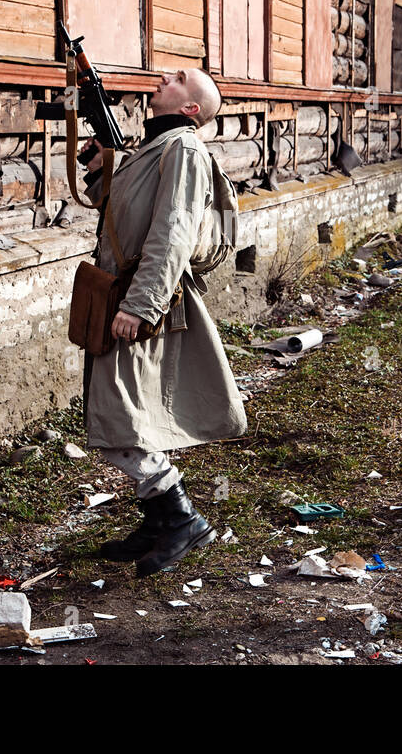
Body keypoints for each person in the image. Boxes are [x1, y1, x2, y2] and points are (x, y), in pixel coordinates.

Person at [79, 68, 247, 577]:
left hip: (144, 298)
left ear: (191, 107)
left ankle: (179, 516)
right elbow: (113, 209)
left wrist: (141, 304)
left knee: (117, 416)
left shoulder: (185, 150)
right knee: (123, 408)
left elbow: (175, 229)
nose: (163, 79)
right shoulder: (155, 147)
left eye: (178, 78)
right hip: (120, 291)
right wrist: (102, 166)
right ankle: (158, 521)